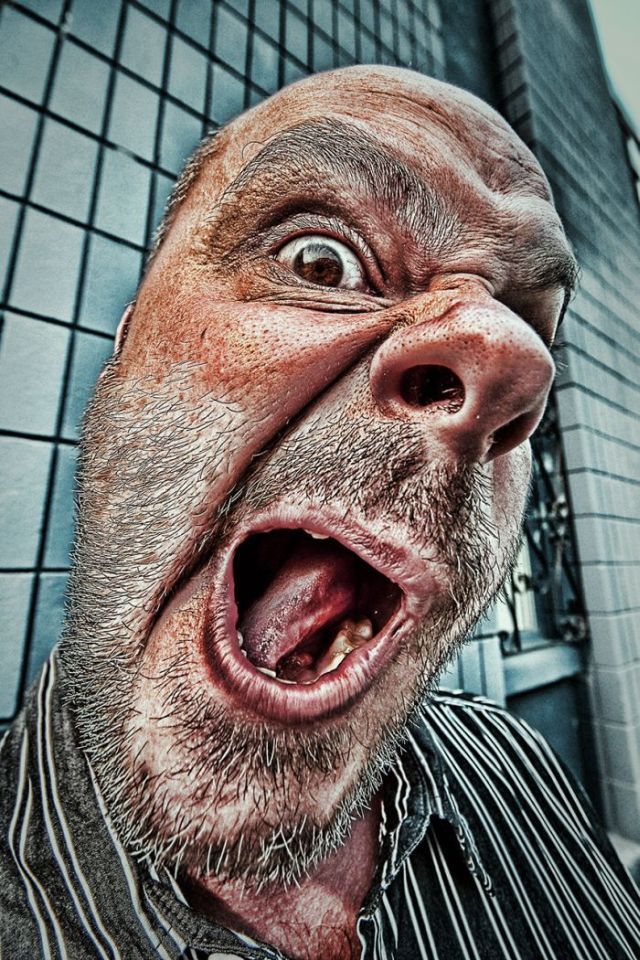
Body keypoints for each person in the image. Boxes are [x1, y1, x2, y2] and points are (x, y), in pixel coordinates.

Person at [1, 65, 638, 960]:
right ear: (127, 348)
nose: (503, 358)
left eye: (531, 326)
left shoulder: (524, 771)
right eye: (320, 260)